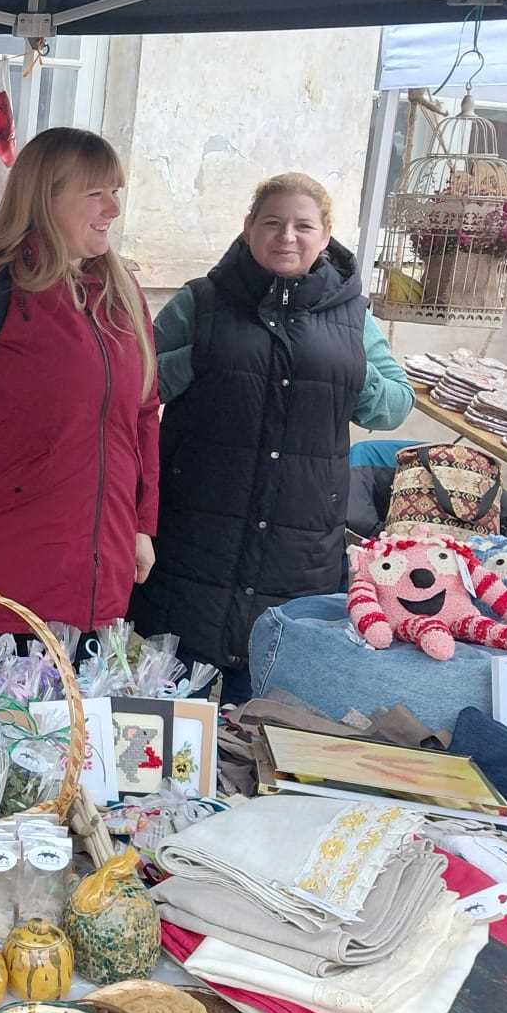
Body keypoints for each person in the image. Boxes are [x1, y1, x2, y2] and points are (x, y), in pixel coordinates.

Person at [131, 171, 413, 703]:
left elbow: (395, 405)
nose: (287, 236)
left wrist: (351, 371)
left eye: (303, 226)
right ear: (248, 229)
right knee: (172, 702)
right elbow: (136, 382)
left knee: (267, 702)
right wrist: (202, 358)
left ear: (325, 235)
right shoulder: (201, 301)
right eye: (272, 223)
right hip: (197, 532)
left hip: (299, 541)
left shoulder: (353, 316)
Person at [0, 127, 160, 675]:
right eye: (95, 194)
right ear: (46, 198)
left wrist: (141, 525)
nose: (113, 209)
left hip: (92, 589)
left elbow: (143, 417)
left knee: (73, 730)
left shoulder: (122, 295)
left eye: (116, 192)